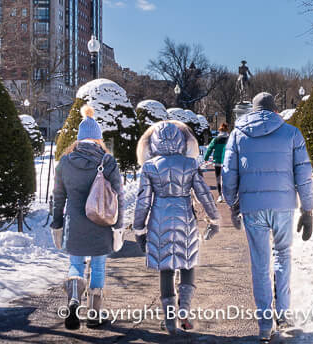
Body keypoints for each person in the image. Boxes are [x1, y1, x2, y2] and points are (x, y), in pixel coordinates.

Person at [222, 92, 313, 342]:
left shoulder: (238, 134)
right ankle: (283, 314)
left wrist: (232, 204)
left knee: (260, 263)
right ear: (275, 111)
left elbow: (229, 173)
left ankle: (265, 324)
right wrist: (307, 209)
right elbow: (304, 175)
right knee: (282, 255)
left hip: (253, 207)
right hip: (283, 206)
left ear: (253, 111)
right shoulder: (292, 133)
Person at [134, 120, 220, 334]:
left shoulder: (150, 167)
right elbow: (203, 195)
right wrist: (214, 219)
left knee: (166, 268)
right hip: (185, 218)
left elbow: (143, 200)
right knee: (187, 262)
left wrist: (139, 229)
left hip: (159, 219)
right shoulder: (190, 165)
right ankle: (185, 311)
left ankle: (170, 319)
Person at [51, 104, 123, 331]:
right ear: (98, 139)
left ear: (80, 139)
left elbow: (58, 195)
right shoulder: (108, 162)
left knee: (75, 264)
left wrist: (57, 223)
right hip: (101, 222)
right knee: (99, 266)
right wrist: (119, 227)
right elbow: (119, 196)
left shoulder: (65, 162)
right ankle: (94, 314)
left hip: (74, 222)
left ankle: (73, 301)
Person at [203, 122, 230, 202]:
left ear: (220, 130)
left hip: (217, 161)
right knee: (227, 178)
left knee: (218, 178)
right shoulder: (230, 139)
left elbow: (210, 148)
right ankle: (227, 195)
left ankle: (220, 195)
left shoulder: (216, 139)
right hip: (227, 161)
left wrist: (206, 158)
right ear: (227, 130)